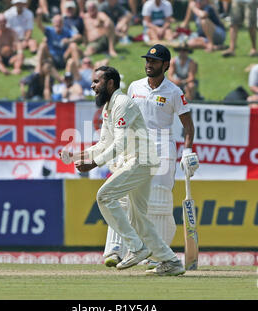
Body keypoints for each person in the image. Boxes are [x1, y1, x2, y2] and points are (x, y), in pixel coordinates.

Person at [68, 65, 187, 276]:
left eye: (97, 82)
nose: (93, 86)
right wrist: (78, 155)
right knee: (138, 217)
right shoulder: (108, 107)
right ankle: (170, 262)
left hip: (140, 160)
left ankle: (137, 248)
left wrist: (95, 164)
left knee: (104, 196)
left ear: (110, 83)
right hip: (138, 160)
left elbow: (120, 143)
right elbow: (105, 142)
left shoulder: (122, 103)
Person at [102, 44, 199, 270]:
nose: (149, 64)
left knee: (159, 202)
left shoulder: (174, 92)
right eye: (147, 60)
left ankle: (160, 258)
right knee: (123, 196)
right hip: (135, 146)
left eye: (154, 62)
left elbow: (188, 126)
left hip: (163, 147)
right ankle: (117, 250)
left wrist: (188, 151)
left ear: (165, 65)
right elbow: (122, 118)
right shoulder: (134, 87)